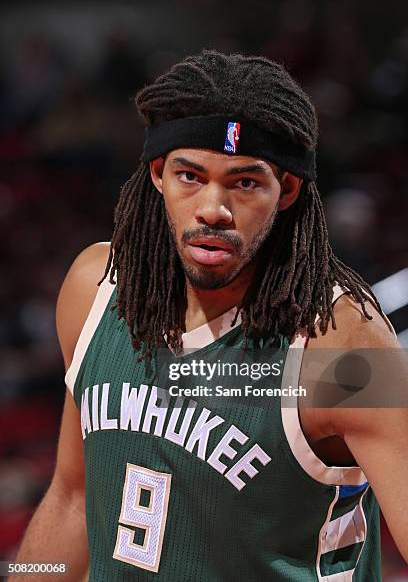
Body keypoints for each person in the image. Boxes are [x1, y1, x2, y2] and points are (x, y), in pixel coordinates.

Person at [11, 50, 407, 582]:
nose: (213, 208)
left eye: (245, 182)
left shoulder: (344, 343)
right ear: (158, 174)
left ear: (286, 190)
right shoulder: (94, 287)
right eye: (190, 175)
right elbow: (72, 497)